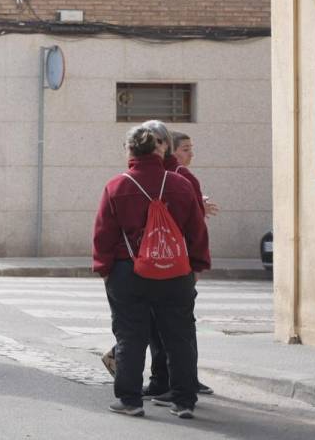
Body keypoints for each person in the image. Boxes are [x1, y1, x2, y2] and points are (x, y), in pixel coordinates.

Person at [93, 123, 210, 419]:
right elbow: (197, 229)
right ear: (160, 149)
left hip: (128, 272)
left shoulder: (117, 186)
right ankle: (184, 401)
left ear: (131, 150)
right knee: (180, 336)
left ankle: (130, 400)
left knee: (130, 336)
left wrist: (105, 270)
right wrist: (196, 266)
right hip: (175, 273)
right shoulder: (180, 184)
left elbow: (103, 234)